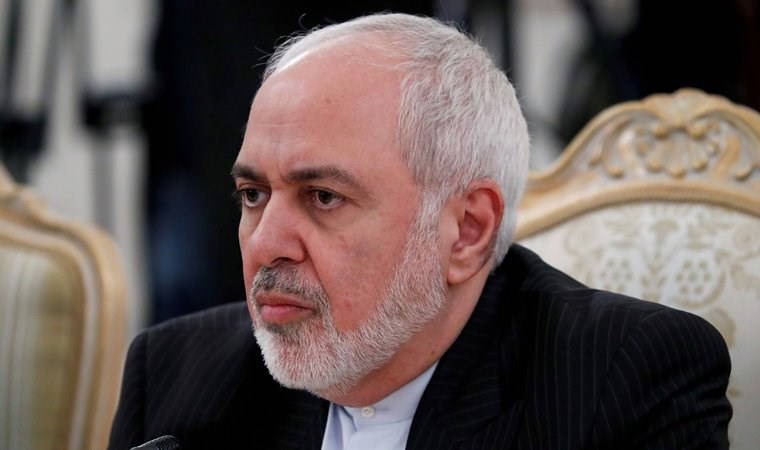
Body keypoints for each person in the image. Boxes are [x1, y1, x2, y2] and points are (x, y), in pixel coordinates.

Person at [108, 13, 731, 450]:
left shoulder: (623, 378)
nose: (266, 244)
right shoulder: (174, 375)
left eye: (323, 197)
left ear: (466, 231)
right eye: (253, 195)